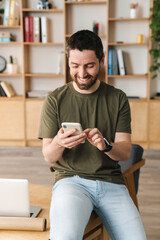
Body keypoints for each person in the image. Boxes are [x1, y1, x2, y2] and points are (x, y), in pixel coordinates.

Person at [39, 30, 146, 240]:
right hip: (71, 182)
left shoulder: (118, 98)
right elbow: (48, 156)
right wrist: (59, 143)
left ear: (101, 61)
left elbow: (124, 153)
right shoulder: (55, 100)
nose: (81, 73)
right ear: (68, 62)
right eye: (75, 66)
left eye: (89, 65)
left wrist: (106, 146)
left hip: (111, 183)